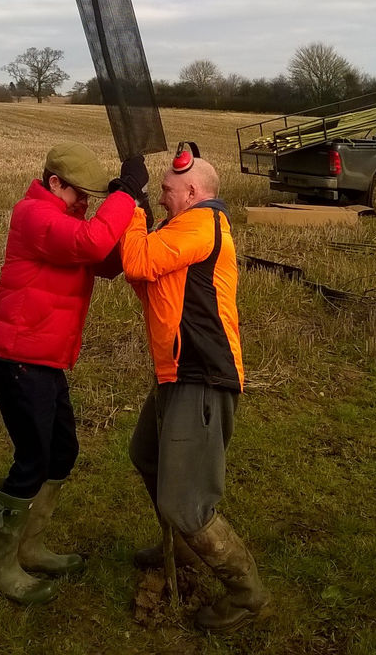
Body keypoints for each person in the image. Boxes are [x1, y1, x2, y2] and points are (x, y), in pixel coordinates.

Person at [0, 141, 148, 605]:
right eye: (81, 195)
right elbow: (90, 242)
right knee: (32, 459)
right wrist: (125, 195)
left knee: (62, 451)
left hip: (46, 358)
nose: (86, 204)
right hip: (19, 356)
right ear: (55, 183)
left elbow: (109, 262)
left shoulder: (68, 220)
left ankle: (29, 546)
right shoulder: (33, 215)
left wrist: (136, 214)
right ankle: (0, 566)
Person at [120, 153, 270, 634]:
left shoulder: (203, 222)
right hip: (177, 371)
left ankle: (247, 595)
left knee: (188, 503)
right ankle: (184, 546)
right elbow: (140, 274)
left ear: (193, 194)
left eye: (166, 189)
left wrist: (131, 204)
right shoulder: (181, 228)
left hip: (202, 375)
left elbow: (138, 258)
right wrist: (136, 212)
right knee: (145, 453)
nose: (162, 194)